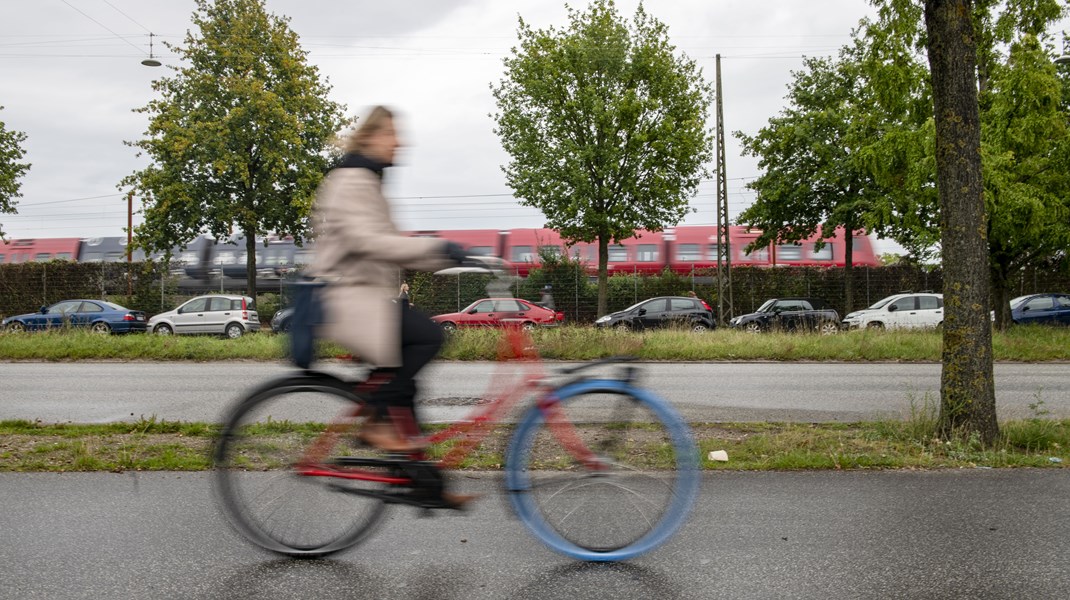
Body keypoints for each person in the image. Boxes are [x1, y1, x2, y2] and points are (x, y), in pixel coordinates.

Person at [307, 106, 473, 505]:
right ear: (371, 137)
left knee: (405, 387)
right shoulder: (352, 180)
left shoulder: (366, 181)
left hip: (364, 298)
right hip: (346, 298)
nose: (400, 141)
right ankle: (374, 420)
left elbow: (392, 248)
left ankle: (424, 482)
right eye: (392, 133)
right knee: (428, 335)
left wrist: (451, 256)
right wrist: (437, 247)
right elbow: (369, 242)